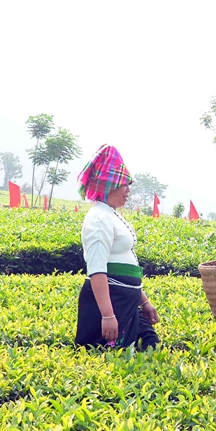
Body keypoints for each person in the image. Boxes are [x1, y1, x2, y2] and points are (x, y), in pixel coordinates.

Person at [74, 145, 160, 350]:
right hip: (112, 304)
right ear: (109, 185)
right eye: (124, 184)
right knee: (111, 355)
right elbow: (97, 270)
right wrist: (108, 315)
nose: (128, 189)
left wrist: (144, 301)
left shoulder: (111, 214)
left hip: (127, 301)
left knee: (150, 346)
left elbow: (123, 265)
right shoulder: (98, 218)